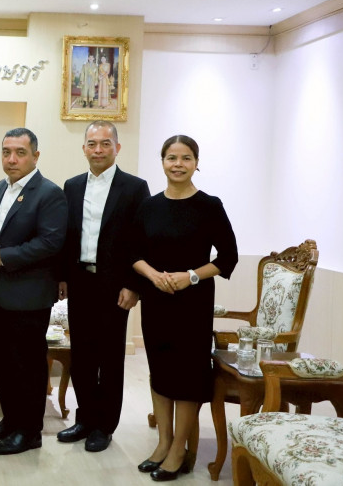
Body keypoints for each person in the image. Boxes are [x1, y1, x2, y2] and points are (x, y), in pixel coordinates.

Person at [130, 135, 238, 482]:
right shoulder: (148, 206)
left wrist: (190, 276)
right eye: (172, 157)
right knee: (160, 370)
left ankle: (179, 449)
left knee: (188, 374)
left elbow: (228, 257)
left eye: (186, 158)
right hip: (156, 300)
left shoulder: (209, 206)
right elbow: (132, 252)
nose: (178, 164)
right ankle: (163, 443)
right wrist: (153, 275)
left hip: (193, 303)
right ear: (162, 162)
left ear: (196, 163)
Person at [0, 128, 68, 455]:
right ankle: (11, 420)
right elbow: (7, 231)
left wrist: (1, 257)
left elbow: (50, 242)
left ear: (35, 156)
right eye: (6, 152)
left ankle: (29, 432)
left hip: (29, 295)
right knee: (3, 361)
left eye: (20, 152)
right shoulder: (2, 188)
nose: (11, 159)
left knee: (27, 365)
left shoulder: (49, 193)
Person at [57, 121, 149, 452]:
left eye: (105, 144)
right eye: (92, 144)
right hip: (80, 280)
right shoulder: (72, 186)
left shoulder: (135, 187)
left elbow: (142, 240)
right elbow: (67, 235)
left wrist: (134, 285)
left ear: (117, 148)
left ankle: (104, 426)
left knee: (109, 358)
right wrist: (63, 276)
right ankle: (84, 418)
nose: (98, 150)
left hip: (115, 285)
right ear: (84, 148)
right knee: (81, 355)